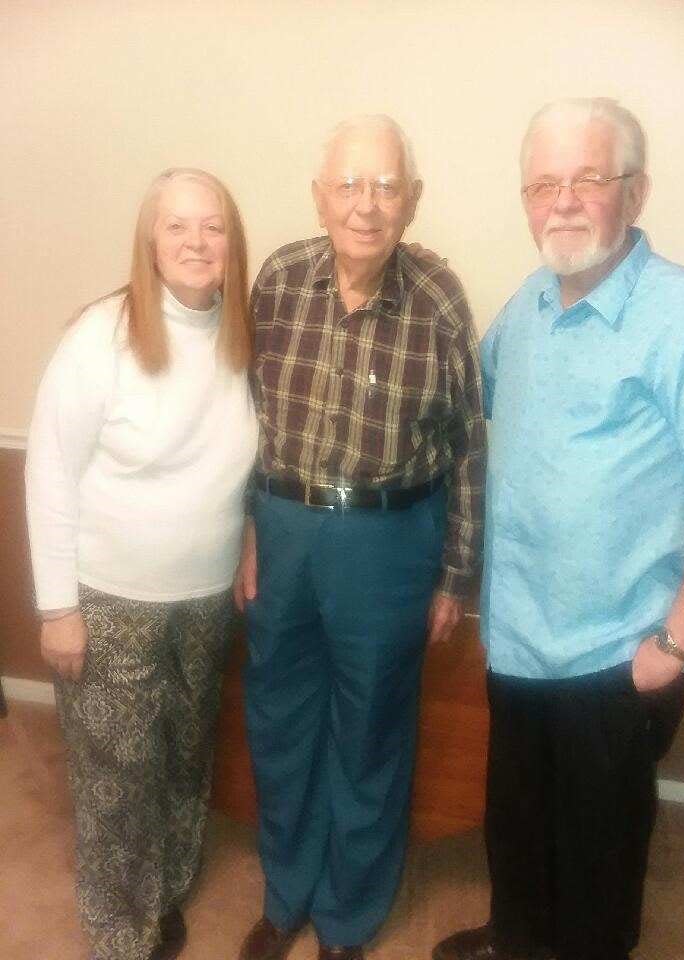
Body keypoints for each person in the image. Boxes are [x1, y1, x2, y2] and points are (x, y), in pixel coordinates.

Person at [434, 98, 684, 960]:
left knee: (599, 862)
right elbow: (462, 401)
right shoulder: (527, 306)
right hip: (519, 640)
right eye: (543, 183)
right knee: (517, 821)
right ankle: (515, 937)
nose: (562, 201)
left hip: (616, 656)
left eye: (586, 179)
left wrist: (674, 643)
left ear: (633, 193)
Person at [234, 115, 485, 960]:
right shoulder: (278, 278)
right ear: (320, 195)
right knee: (280, 720)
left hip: (387, 542)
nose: (365, 206)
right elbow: (246, 418)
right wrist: (247, 531)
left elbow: (467, 446)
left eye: (384, 186)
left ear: (411, 201)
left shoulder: (440, 296)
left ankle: (347, 916)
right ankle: (286, 895)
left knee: (371, 730)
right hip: (284, 524)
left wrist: (456, 575)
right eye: (349, 185)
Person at [25, 168, 258, 960]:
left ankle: (160, 892)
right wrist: (57, 608)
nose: (198, 242)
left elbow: (249, 464)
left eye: (213, 227)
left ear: (233, 243)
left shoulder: (241, 333)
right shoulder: (102, 334)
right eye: (178, 227)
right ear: (149, 243)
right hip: (110, 598)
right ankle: (120, 931)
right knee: (117, 781)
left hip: (205, 599)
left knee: (185, 761)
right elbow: (48, 470)